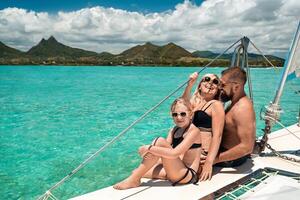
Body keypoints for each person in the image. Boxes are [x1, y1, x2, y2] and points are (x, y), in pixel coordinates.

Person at [113, 98, 202, 190]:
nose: (179, 117)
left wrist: (148, 148)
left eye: (183, 114)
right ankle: (136, 178)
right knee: (135, 172)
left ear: (190, 114)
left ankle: (134, 180)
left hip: (186, 174)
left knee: (158, 141)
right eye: (175, 114)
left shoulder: (194, 131)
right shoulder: (174, 130)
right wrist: (151, 154)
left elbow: (174, 153)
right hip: (174, 170)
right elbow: (162, 152)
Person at [182, 73, 225, 181]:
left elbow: (217, 135)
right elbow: (182, 104)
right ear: (200, 85)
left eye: (215, 82)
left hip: (199, 154)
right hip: (186, 148)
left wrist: (209, 163)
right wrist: (190, 85)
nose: (210, 83)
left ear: (217, 90)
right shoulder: (195, 104)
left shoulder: (216, 105)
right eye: (207, 79)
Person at [212, 66, 256, 167]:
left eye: (222, 84)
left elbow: (247, 147)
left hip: (229, 159)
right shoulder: (234, 103)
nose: (219, 87)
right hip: (221, 153)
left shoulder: (243, 109)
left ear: (236, 87)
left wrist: (215, 159)